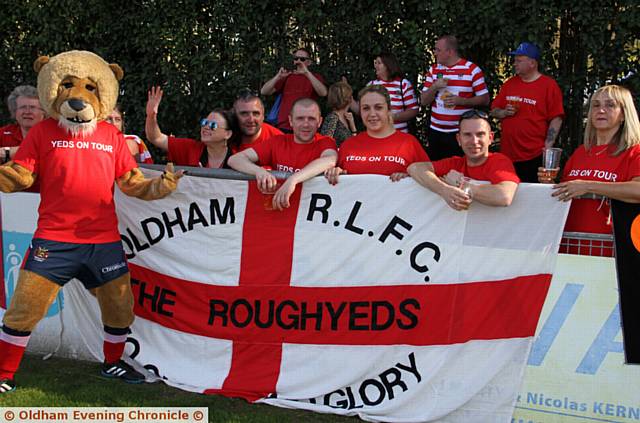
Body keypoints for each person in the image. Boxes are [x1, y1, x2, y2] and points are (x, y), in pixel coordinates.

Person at [538, 85, 640, 255]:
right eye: (596, 105)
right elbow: (568, 191)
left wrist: (588, 186)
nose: (601, 110)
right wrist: (550, 183)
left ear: (623, 114)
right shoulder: (581, 152)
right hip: (569, 244)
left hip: (610, 248)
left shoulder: (634, 152)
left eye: (610, 105)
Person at [228, 98, 337, 210]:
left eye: (311, 119)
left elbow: (330, 160)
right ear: (290, 121)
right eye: (300, 119)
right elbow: (235, 160)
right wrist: (259, 172)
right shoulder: (277, 141)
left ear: (319, 122)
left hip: (311, 214)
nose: (306, 124)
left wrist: (292, 180)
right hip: (280, 212)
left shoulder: (325, 142)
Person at [408, 110, 520, 210]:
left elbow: (504, 196)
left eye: (480, 134)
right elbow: (415, 168)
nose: (474, 141)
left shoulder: (499, 161)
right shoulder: (455, 163)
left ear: (490, 138)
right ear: (459, 139)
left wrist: (461, 184)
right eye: (467, 135)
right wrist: (445, 190)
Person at [325, 85, 429, 185]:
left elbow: (429, 179)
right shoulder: (348, 145)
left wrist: (410, 180)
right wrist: (335, 173)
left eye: (378, 107)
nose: (372, 114)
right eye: (366, 108)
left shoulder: (409, 143)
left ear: (388, 110)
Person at [492, 42, 564, 183]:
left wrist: (548, 146)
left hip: (534, 154)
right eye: (515, 60)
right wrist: (504, 112)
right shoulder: (509, 84)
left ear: (532, 63)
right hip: (508, 154)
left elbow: (557, 117)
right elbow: (494, 111)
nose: (514, 64)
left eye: (519, 60)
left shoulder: (548, 86)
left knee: (532, 195)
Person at [420, 35, 490, 161]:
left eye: (438, 50)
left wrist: (461, 101)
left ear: (450, 52)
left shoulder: (471, 69)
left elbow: (485, 99)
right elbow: (424, 101)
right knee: (436, 169)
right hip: (436, 131)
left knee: (459, 171)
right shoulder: (434, 69)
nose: (435, 53)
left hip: (459, 133)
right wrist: (434, 86)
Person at [145, 86, 234, 168]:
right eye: (204, 122)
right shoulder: (191, 148)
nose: (206, 127)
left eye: (213, 125)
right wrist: (151, 116)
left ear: (228, 134)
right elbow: (156, 138)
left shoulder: (239, 155)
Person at [260, 48, 327, 132]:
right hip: (284, 125)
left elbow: (323, 93)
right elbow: (264, 91)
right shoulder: (287, 76)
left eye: (302, 59)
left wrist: (307, 73)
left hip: (304, 126)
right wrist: (278, 77)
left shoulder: (315, 77)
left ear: (309, 62)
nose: (299, 61)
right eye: (296, 59)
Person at [366, 52, 418, 133]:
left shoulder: (403, 84)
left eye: (379, 63)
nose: (375, 66)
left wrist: (395, 117)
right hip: (377, 136)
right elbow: (361, 109)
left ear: (388, 66)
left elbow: (413, 110)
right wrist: (349, 99)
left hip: (400, 137)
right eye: (375, 63)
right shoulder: (371, 85)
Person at [1, 85, 46, 163]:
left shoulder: (53, 133)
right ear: (14, 112)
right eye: (22, 107)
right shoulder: (5, 133)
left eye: (32, 107)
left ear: (44, 112)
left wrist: (8, 152)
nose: (27, 112)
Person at [319, 81, 357, 147]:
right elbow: (325, 144)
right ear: (349, 99)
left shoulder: (346, 117)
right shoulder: (332, 118)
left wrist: (353, 126)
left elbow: (353, 143)